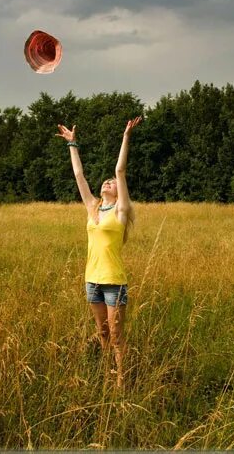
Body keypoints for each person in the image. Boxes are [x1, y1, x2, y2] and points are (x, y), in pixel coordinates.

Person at [56, 116, 142, 388]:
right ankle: (107, 375)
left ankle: (121, 381)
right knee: (102, 333)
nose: (108, 182)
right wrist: (73, 144)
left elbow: (120, 170)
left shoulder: (120, 211)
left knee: (116, 335)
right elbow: (79, 175)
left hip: (114, 282)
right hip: (91, 280)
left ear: (119, 192)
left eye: (111, 183)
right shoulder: (93, 207)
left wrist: (126, 136)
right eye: (104, 181)